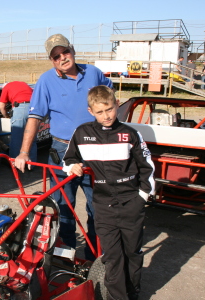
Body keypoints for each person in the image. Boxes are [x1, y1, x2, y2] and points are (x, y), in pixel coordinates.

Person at [14, 34, 113, 260]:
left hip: (96, 150)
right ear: (51, 60)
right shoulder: (46, 81)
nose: (62, 58)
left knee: (98, 206)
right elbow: (35, 117)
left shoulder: (94, 74)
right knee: (63, 207)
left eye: (65, 52)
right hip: (62, 150)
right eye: (56, 56)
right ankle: (65, 257)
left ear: (73, 50)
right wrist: (23, 152)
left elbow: (111, 103)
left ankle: (95, 257)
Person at [63, 85, 155, 300]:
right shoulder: (82, 132)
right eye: (100, 112)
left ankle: (133, 293)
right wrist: (72, 166)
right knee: (112, 257)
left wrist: (142, 196)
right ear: (91, 112)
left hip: (131, 202)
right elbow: (68, 159)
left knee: (132, 253)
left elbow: (147, 167)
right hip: (103, 205)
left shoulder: (130, 134)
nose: (106, 116)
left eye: (110, 109)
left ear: (117, 105)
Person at [0, 81, 37, 162]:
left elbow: (1, 106)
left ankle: (14, 163)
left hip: (20, 108)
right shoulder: (23, 84)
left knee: (16, 138)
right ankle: (32, 164)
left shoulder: (6, 87)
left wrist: (6, 116)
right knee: (31, 137)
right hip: (34, 108)